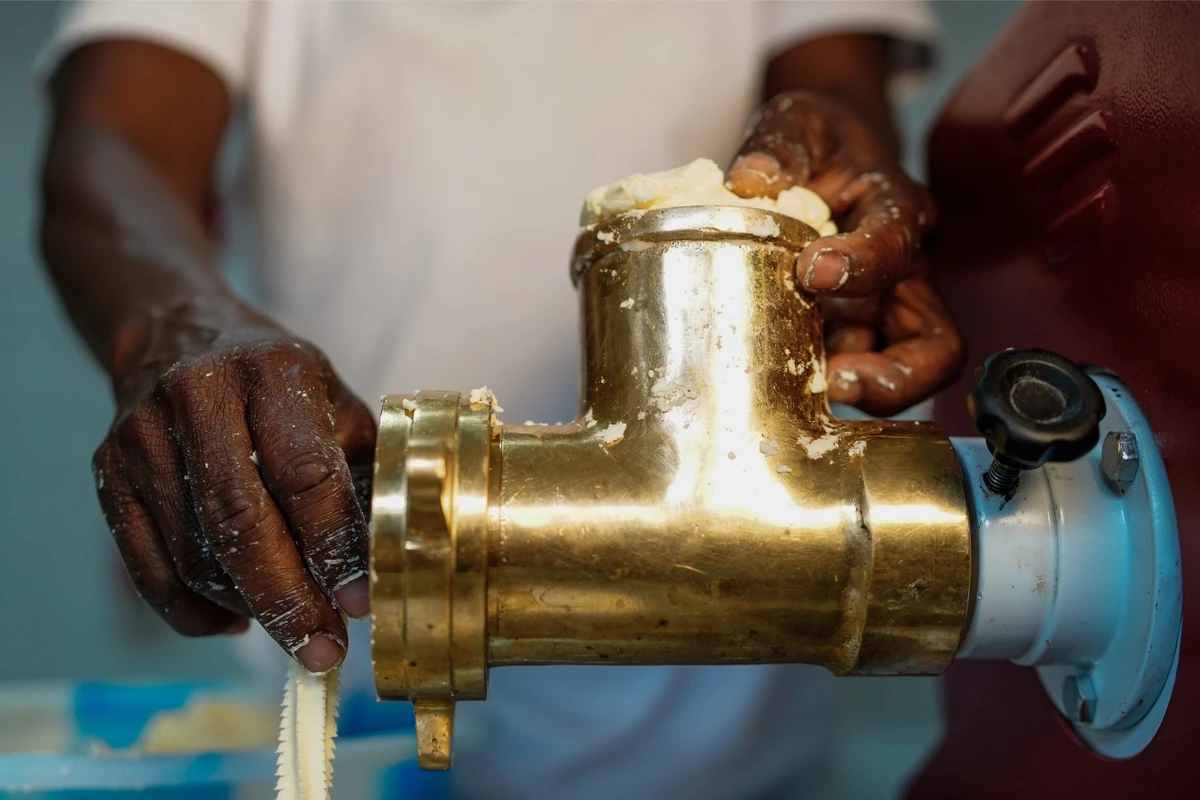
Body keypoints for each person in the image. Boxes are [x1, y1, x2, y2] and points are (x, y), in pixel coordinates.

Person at [36, 2, 963, 797]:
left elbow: (837, 95)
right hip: (351, 700)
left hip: (723, 741)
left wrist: (845, 191)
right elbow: (114, 138)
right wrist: (177, 327)